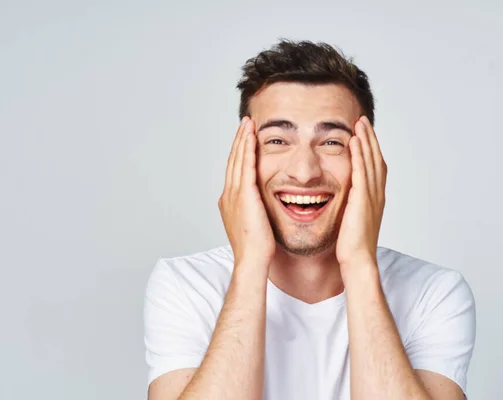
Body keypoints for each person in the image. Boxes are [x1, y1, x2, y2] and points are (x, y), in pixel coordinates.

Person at [144, 39, 476, 400]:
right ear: (243, 159)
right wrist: (251, 264)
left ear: (368, 162)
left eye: (332, 142)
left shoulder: (435, 294)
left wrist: (360, 264)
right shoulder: (184, 285)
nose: (304, 172)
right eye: (276, 141)